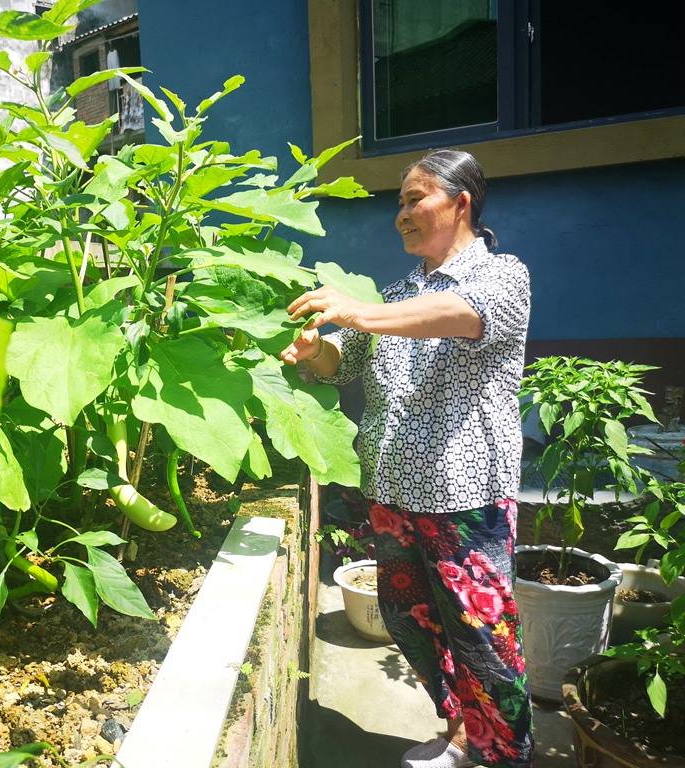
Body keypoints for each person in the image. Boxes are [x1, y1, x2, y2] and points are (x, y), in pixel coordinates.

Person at [281, 149, 533, 768]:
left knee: (483, 637)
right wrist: (316, 351)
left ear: (460, 203)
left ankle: (506, 755)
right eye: (399, 202)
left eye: (415, 198)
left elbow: (456, 318)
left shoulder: (501, 277)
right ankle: (461, 731)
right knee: (410, 619)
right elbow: (348, 361)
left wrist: (359, 311)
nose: (401, 214)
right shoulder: (396, 294)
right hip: (393, 490)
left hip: (464, 493)